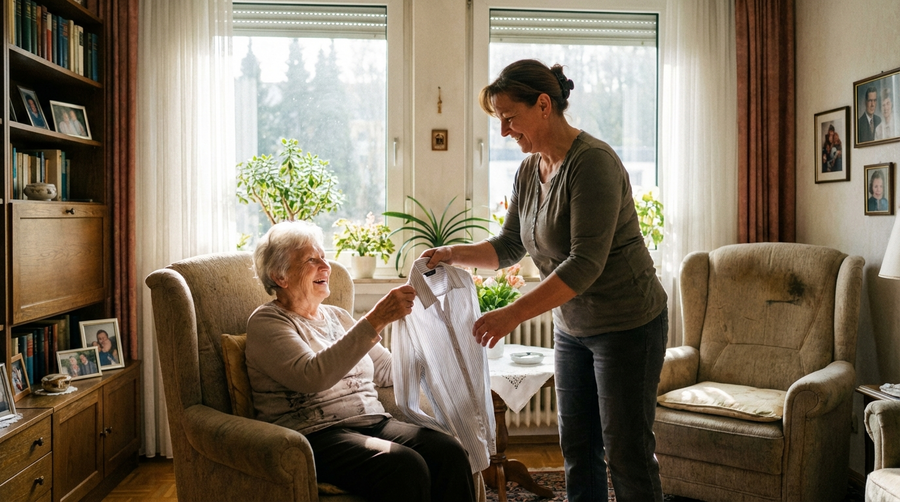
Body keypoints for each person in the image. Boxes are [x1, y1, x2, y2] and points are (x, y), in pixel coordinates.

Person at [421, 59, 668, 502]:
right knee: (577, 446)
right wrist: (452, 254)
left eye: (509, 118)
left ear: (542, 105)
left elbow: (584, 264)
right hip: (572, 329)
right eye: (499, 121)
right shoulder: (528, 171)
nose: (504, 132)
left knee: (626, 451)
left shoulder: (593, 164)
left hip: (628, 325)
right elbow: (510, 244)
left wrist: (511, 315)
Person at [245, 220, 477, 502]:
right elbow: (312, 376)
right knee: (403, 465)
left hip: (373, 421)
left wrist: (443, 345)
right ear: (280, 276)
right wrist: (376, 319)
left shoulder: (338, 317)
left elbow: (387, 371)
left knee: (449, 452)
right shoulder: (267, 322)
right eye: (311, 260)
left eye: (324, 257)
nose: (325, 266)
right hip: (315, 435)